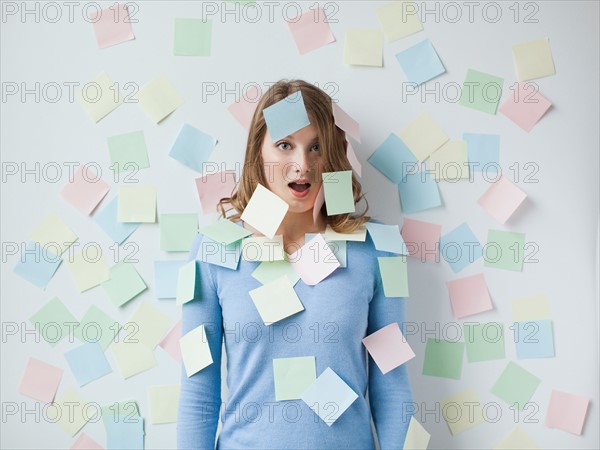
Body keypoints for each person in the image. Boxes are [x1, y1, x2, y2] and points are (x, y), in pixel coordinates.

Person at [177, 79, 413, 449]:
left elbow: (393, 387)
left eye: (316, 147)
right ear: (258, 150)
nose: (302, 165)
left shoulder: (377, 250)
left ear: (333, 154)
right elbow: (198, 396)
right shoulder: (214, 252)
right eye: (285, 145)